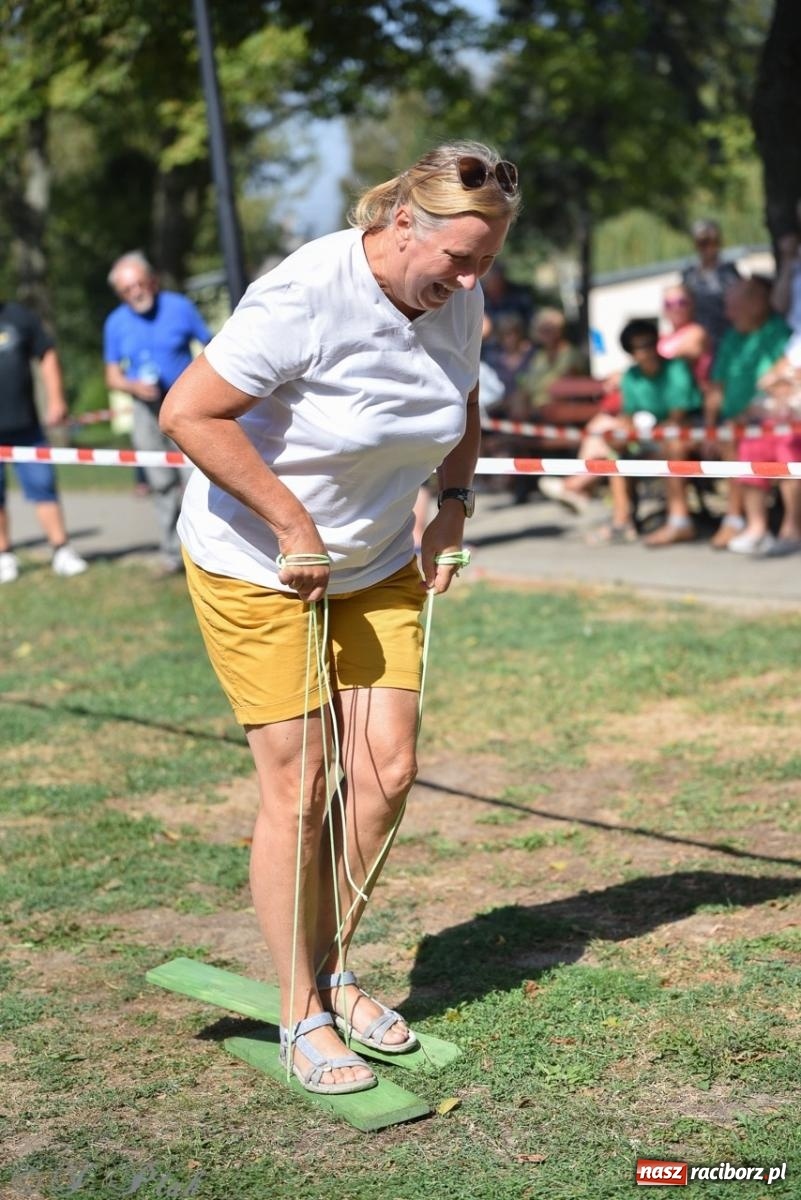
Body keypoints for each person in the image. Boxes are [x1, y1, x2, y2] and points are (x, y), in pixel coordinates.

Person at [159, 141, 519, 1095]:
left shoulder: (459, 297)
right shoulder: (304, 292)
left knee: (387, 773)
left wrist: (451, 504)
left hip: (378, 560)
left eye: (485, 263)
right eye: (458, 259)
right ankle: (299, 1011)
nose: (472, 280)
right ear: (404, 224)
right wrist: (290, 521)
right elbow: (189, 413)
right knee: (302, 779)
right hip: (259, 561)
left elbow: (464, 401)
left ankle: (330, 965)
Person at [103, 252, 212, 575]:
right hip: (145, 409)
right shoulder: (115, 322)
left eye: (140, 283)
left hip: (187, 405)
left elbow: (213, 347)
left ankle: (205, 554)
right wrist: (134, 387)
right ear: (120, 294)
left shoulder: (179, 307)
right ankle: (171, 553)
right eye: (127, 289)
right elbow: (112, 376)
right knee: (160, 481)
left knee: (196, 477)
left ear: (152, 281)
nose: (136, 292)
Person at [555, 319, 702, 543]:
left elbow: (678, 415)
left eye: (649, 344)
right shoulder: (631, 377)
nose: (645, 351)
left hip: (680, 436)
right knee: (615, 453)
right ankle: (622, 522)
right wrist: (625, 432)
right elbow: (629, 415)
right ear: (631, 351)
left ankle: (679, 520)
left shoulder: (676, 369)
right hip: (650, 439)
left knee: (673, 449)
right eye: (638, 347)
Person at [0, 299, 88, 584]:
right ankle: (4, 556)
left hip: (26, 427)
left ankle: (62, 550)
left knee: (43, 486)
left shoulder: (18, 316)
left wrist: (57, 399)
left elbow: (47, 352)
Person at [704, 277, 791, 549]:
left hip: (774, 422)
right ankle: (750, 525)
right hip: (741, 424)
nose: (728, 312)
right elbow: (716, 388)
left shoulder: (780, 333)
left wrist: (745, 416)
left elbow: (781, 386)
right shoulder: (732, 336)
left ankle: (736, 519)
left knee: (780, 451)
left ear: (756, 303)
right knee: (734, 441)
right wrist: (710, 430)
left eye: (734, 305)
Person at [681, 219, 741, 351]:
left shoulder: (729, 272)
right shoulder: (688, 275)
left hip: (728, 337)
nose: (708, 247)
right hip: (699, 340)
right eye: (703, 243)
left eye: (713, 242)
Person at [657, 283, 712, 387]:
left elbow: (671, 362)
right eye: (669, 304)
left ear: (692, 304)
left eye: (681, 303)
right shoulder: (662, 338)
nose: (676, 308)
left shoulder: (697, 332)